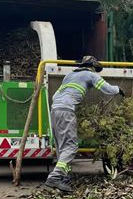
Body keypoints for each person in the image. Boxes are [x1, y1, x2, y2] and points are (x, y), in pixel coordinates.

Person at [45, 55, 124, 192]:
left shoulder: (68, 76)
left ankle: (64, 178)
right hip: (66, 111)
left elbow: (54, 96)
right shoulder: (90, 75)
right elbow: (108, 89)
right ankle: (55, 177)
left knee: (62, 147)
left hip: (55, 110)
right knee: (71, 146)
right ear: (92, 67)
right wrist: (118, 89)